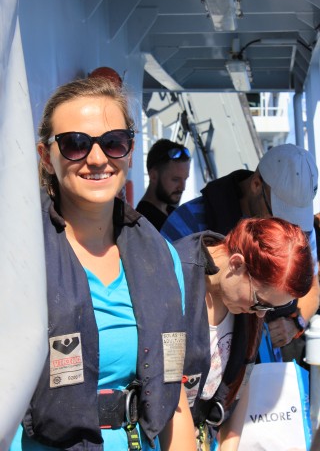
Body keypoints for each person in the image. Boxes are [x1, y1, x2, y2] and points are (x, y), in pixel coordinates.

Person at [10, 78, 196, 451]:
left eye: (113, 142)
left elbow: (172, 400)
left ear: (128, 152)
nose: (97, 159)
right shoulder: (17, 258)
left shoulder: (163, 259)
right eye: (75, 144)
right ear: (46, 157)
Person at [162, 144, 320, 363]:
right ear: (256, 184)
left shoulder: (299, 233)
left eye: (293, 220)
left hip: (264, 368)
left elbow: (312, 285)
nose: (283, 229)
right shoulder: (187, 223)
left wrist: (295, 322)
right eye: (277, 215)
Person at [174, 217, 314, 450]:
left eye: (269, 309)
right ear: (237, 264)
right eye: (260, 303)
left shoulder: (245, 310)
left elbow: (241, 383)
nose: (260, 315)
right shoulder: (174, 275)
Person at [136, 139, 191, 230]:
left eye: (185, 179)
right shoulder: (143, 224)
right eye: (175, 179)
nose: (182, 187)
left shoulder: (174, 214)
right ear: (153, 176)